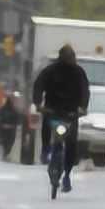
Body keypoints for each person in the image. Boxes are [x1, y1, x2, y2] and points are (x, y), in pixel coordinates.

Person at [32, 45, 90, 192]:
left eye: (73, 57)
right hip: (53, 110)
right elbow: (38, 85)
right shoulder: (50, 71)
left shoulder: (78, 72)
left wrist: (82, 107)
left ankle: (67, 175)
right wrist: (38, 104)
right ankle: (46, 149)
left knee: (71, 144)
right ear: (62, 57)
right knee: (46, 125)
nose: (71, 60)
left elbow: (85, 91)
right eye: (69, 57)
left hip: (71, 114)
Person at [0, 93, 21, 160]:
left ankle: (5, 154)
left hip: (4, 130)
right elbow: (17, 120)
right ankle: (6, 154)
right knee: (9, 143)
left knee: (5, 143)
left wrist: (2, 126)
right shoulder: (14, 111)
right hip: (9, 130)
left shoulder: (2, 110)